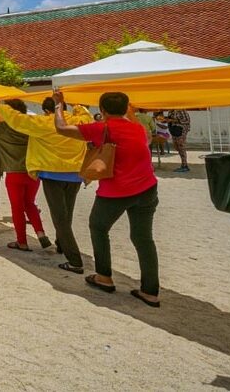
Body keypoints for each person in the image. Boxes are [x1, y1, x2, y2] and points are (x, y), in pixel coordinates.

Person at [54, 91, 160, 307]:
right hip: (147, 188)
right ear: (126, 108)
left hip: (116, 191)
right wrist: (130, 110)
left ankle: (104, 276)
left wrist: (58, 105)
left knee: (98, 227)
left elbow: (62, 128)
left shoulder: (101, 128)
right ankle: (150, 291)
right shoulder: (138, 128)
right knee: (143, 239)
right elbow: (143, 134)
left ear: (102, 110)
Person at [0, 97, 91, 273]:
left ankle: (75, 260)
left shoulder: (43, 123)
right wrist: (76, 105)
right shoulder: (79, 121)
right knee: (67, 213)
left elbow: (16, 118)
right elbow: (86, 114)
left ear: (46, 111)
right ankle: (61, 244)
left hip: (52, 174)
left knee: (59, 217)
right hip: (76, 174)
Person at [0, 99, 52, 252]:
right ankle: (40, 233)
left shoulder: (2, 127)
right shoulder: (31, 125)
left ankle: (22, 242)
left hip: (14, 174)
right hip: (32, 172)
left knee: (17, 208)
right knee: (30, 203)